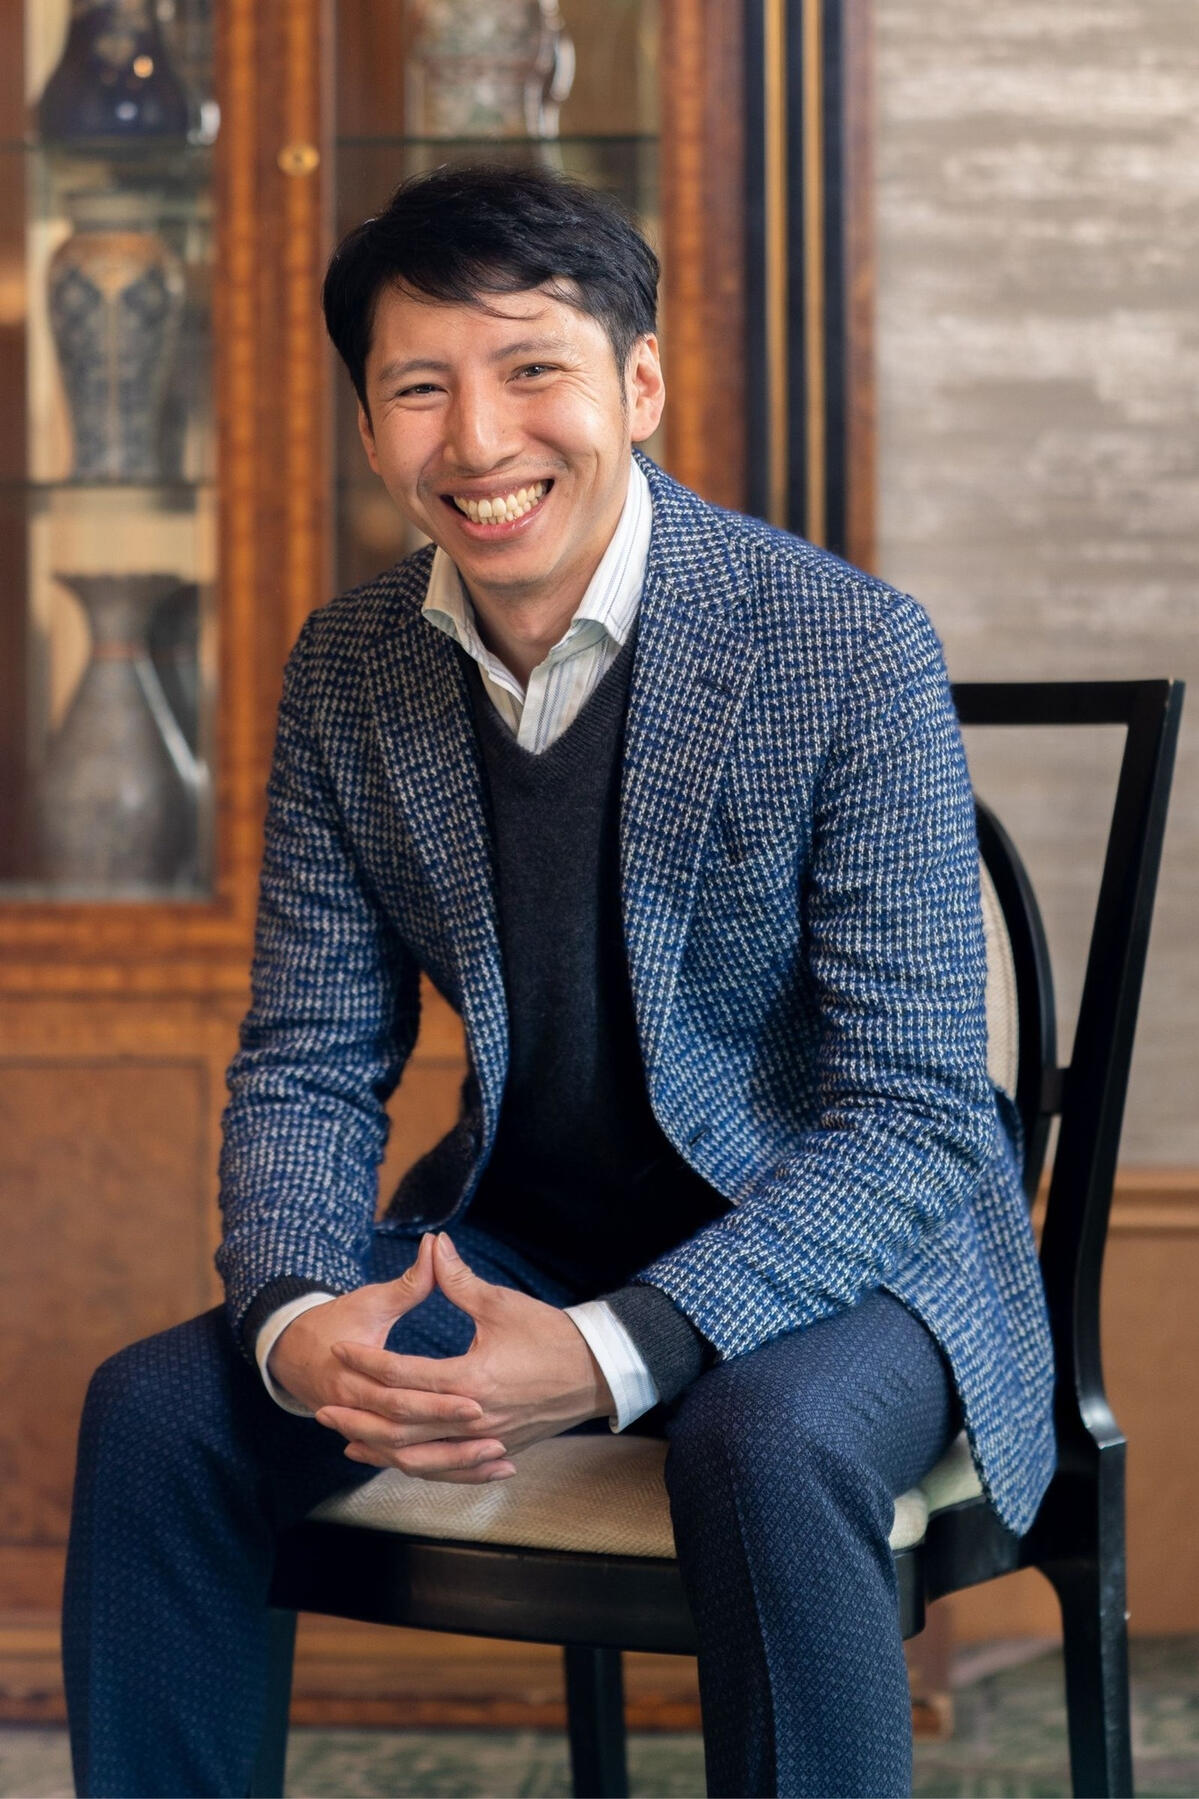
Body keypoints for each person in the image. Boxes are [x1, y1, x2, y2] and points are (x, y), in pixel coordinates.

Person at [62, 162, 1055, 1798]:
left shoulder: (846, 645)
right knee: (163, 1413)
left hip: (857, 1260)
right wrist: (297, 1315)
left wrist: (611, 1352)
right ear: (369, 427)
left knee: (762, 1439)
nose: (478, 439)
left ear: (637, 384)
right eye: (419, 389)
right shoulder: (350, 667)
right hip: (520, 1238)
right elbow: (309, 1057)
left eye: (532, 369)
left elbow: (913, 1114)